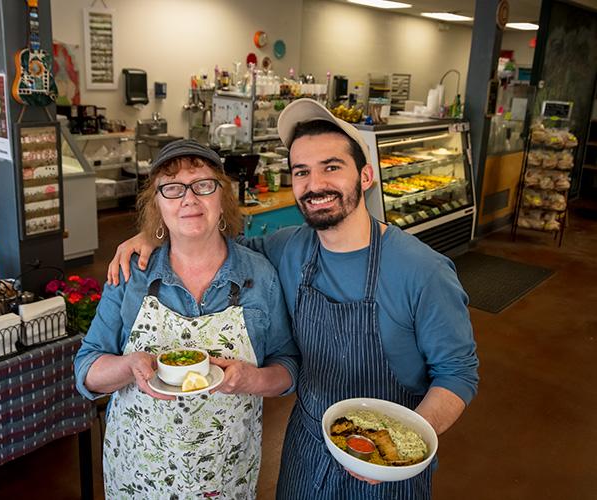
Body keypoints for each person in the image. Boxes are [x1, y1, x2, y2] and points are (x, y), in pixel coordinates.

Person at [107, 99, 480, 499]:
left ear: (367, 175)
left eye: (331, 167)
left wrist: (397, 449)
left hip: (384, 466)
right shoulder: (286, 248)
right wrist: (155, 233)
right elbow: (206, 244)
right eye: (301, 171)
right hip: (306, 448)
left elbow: (458, 373)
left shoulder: (423, 269)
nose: (314, 184)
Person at [74, 138, 300, 500]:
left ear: (222, 197)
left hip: (225, 472)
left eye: (203, 185)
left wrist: (253, 379)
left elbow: (288, 369)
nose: (189, 198)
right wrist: (128, 366)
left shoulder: (260, 275)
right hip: (139, 474)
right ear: (158, 204)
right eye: (173, 188)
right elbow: (87, 370)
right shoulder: (131, 274)